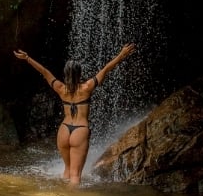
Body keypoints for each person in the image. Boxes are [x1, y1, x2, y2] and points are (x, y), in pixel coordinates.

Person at [13, 44, 136, 186]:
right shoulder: (87, 87)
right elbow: (106, 69)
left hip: (64, 130)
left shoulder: (60, 88)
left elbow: (45, 72)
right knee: (75, 176)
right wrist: (121, 55)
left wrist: (27, 58)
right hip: (80, 130)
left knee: (67, 171)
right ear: (79, 74)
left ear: (65, 74)